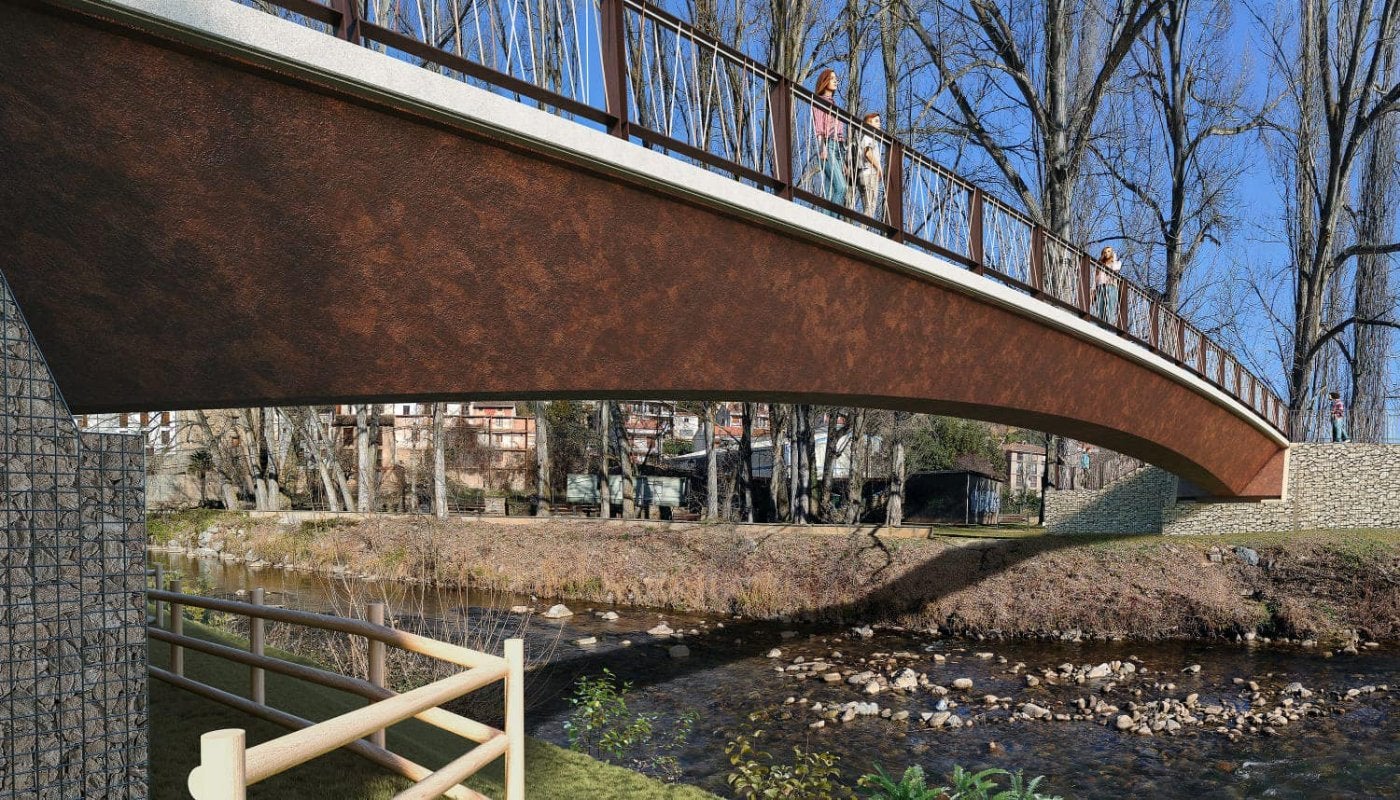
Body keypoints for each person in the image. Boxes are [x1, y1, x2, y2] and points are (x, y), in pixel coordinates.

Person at [812, 69, 847, 211]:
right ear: (824, 81)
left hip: (838, 149)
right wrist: (822, 147)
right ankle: (830, 223)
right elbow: (819, 126)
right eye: (832, 78)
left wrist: (843, 159)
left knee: (832, 190)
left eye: (836, 78)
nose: (835, 80)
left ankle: (831, 222)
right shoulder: (819, 101)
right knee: (841, 187)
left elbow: (840, 133)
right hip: (827, 145)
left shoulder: (836, 106)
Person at [857, 113, 884, 220]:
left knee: (867, 208)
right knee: (870, 208)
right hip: (869, 174)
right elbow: (867, 153)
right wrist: (878, 168)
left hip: (863, 175)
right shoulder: (869, 136)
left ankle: (863, 230)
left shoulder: (867, 137)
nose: (879, 124)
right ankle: (863, 232)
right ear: (869, 123)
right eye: (876, 121)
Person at [1093, 246, 1122, 321]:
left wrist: (1114, 259)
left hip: (1111, 286)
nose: (1106, 253)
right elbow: (1096, 278)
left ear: (1112, 253)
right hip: (1100, 287)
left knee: (1110, 308)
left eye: (1109, 251)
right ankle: (1100, 325)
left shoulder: (1117, 263)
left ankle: (1109, 326)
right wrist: (1093, 289)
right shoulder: (1100, 265)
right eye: (1105, 252)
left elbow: (1115, 269)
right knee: (1100, 309)